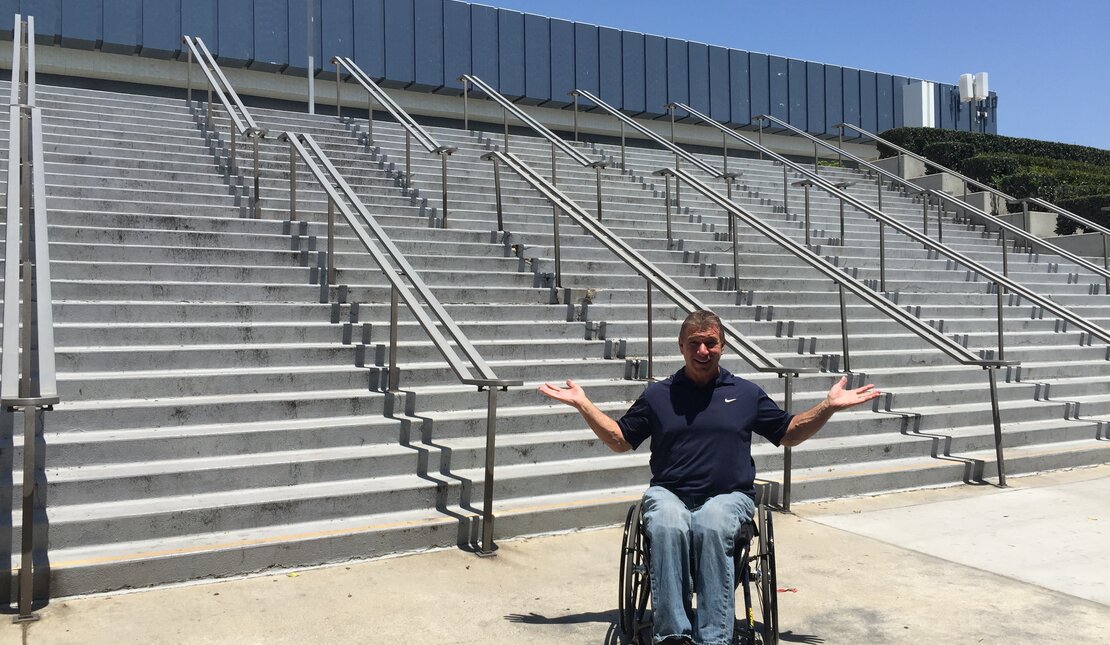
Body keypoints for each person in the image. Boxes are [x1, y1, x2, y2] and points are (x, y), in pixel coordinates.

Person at [538, 309, 879, 645]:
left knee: (712, 524)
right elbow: (619, 439)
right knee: (668, 525)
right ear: (681, 346)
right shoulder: (659, 395)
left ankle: (713, 639)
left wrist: (828, 406)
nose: (703, 351)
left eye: (711, 343)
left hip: (729, 496)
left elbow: (788, 432)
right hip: (671, 493)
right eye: (695, 343)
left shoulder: (745, 393)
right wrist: (584, 405)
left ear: (723, 346)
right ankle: (673, 636)